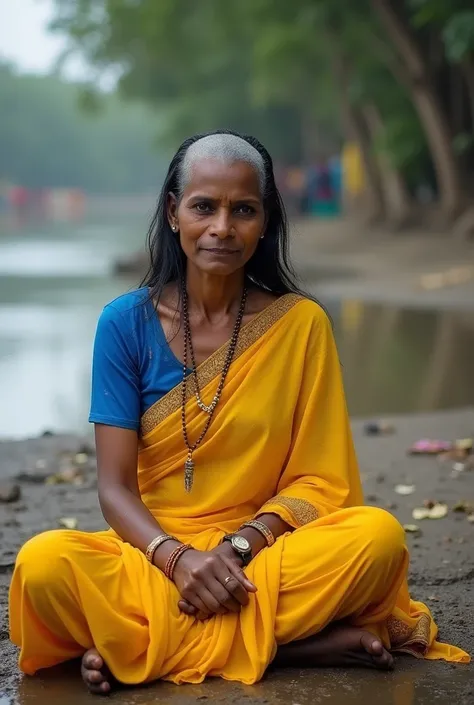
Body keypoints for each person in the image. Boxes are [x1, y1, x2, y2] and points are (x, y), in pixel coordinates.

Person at [9, 130, 469, 695]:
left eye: (243, 210)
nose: (222, 228)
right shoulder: (123, 324)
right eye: (204, 206)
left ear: (265, 221)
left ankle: (141, 648)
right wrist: (179, 560)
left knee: (377, 539)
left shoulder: (300, 326)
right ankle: (294, 646)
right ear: (174, 213)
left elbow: (319, 482)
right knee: (44, 564)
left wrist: (236, 549)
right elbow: (114, 489)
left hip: (261, 556)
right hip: (155, 557)